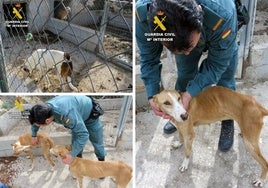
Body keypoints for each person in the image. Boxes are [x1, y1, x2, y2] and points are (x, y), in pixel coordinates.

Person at [136, 0, 238, 152]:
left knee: (226, 79)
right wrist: (152, 94)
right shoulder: (146, 18)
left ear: (200, 15)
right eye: (173, 48)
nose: (187, 53)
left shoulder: (222, 13)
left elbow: (217, 64)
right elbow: (149, 58)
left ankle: (228, 118)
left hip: (221, 38)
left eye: (189, 47)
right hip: (183, 36)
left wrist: (192, 92)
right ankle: (179, 114)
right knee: (184, 75)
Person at [28, 95, 106, 164]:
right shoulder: (44, 109)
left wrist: (71, 155)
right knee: (75, 142)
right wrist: (34, 135)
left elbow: (84, 135)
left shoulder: (66, 115)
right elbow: (35, 121)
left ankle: (102, 164)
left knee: (97, 141)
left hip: (89, 116)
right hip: (76, 111)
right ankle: (78, 163)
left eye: (39, 125)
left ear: (47, 120)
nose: (38, 126)